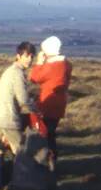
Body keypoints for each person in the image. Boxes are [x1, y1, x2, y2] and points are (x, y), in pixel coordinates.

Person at [0, 41, 39, 159]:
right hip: (8, 120)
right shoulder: (17, 73)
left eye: (32, 56)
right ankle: (22, 177)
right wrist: (35, 109)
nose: (29, 59)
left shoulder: (9, 70)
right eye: (26, 56)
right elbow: (23, 99)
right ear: (18, 56)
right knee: (21, 153)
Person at [29, 36, 73, 167]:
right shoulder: (66, 64)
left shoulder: (52, 66)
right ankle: (51, 160)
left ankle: (48, 161)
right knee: (51, 133)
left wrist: (39, 62)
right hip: (59, 104)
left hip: (48, 104)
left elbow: (34, 77)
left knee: (46, 134)